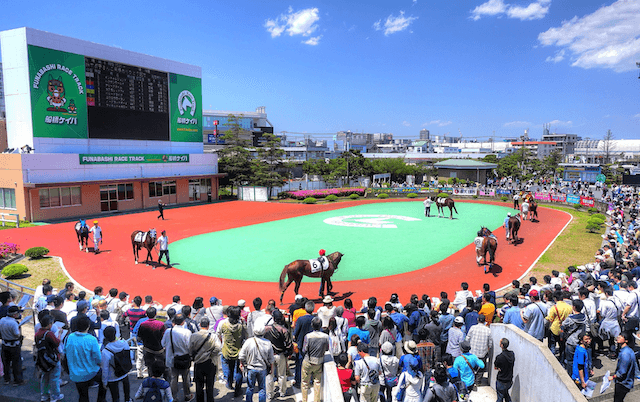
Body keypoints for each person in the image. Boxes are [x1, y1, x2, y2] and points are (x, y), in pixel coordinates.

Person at [64, 316, 107, 402]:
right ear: (88, 326)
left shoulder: (69, 337)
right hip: (91, 371)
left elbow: (65, 352)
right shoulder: (92, 339)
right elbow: (98, 358)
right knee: (105, 379)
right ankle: (101, 399)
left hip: (75, 373)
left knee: (83, 396)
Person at [239, 324, 275, 402]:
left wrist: (241, 363)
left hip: (251, 368)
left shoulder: (248, 341)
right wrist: (272, 369)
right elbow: (271, 359)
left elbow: (241, 355)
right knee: (262, 388)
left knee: (250, 388)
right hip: (262, 368)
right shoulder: (268, 343)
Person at [161, 313, 192, 400]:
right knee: (186, 378)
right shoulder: (187, 332)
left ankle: (173, 397)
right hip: (184, 358)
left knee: (174, 378)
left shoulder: (168, 331)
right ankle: (187, 395)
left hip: (172, 359)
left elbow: (163, 343)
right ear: (183, 322)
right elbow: (189, 346)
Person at [190, 317, 221, 402]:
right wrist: (211, 354)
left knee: (199, 385)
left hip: (198, 362)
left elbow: (190, 349)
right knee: (210, 385)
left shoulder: (194, 336)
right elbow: (218, 348)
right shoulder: (213, 336)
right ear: (208, 325)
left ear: (200, 325)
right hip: (210, 362)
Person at [35, 315, 64, 402]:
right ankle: (55, 396)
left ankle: (44, 395)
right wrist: (59, 334)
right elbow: (57, 343)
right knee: (54, 377)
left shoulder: (37, 333)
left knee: (45, 377)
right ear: (49, 324)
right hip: (52, 358)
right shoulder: (49, 333)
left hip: (42, 359)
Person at [219, 305, 246, 398]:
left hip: (227, 350)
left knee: (230, 368)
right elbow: (246, 335)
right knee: (239, 371)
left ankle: (229, 383)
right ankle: (238, 389)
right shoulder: (240, 326)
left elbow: (219, 334)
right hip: (239, 351)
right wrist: (244, 323)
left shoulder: (224, 324)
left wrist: (223, 342)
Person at [301, 317, 329, 402]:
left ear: (312, 325)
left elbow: (304, 349)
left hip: (308, 361)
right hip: (319, 362)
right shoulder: (326, 336)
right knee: (317, 383)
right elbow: (327, 348)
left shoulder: (308, 336)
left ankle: (304, 400)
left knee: (305, 383)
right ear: (320, 326)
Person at [267, 309, 293, 399]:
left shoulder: (267, 329)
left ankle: (270, 394)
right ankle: (282, 392)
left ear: (273, 318)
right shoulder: (284, 330)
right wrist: (288, 352)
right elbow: (289, 344)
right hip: (280, 355)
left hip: (269, 355)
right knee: (281, 375)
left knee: (270, 375)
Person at [101, 326, 131, 402]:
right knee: (126, 391)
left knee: (115, 396)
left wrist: (104, 382)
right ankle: (128, 400)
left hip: (112, 376)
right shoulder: (124, 343)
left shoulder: (105, 351)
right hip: (124, 371)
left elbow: (105, 368)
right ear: (115, 334)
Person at [608, 332, 639, 401]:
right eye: (619, 335)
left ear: (626, 340)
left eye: (622, 336)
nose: (618, 337)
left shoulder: (625, 354)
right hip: (628, 382)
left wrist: (612, 377)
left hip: (623, 383)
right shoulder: (629, 350)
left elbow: (622, 372)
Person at [0, 305, 25, 386]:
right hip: (14, 345)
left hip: (4, 343)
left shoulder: (2, 320)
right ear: (14, 314)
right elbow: (17, 334)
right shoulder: (13, 323)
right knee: (16, 363)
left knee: (6, 363)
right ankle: (17, 380)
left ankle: (6, 379)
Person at [465, 314, 492, 385]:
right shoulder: (488, 330)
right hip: (482, 353)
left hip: (472, 352)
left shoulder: (473, 328)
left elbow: (467, 339)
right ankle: (478, 381)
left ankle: (471, 380)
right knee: (481, 368)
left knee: (471, 367)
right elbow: (490, 343)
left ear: (478, 320)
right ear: (484, 321)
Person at [494, 338, 515, 402]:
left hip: (501, 381)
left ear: (502, 345)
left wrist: (498, 368)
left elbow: (495, 367)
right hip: (509, 381)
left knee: (500, 398)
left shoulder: (499, 357)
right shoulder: (512, 354)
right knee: (506, 394)